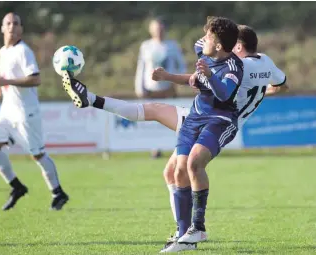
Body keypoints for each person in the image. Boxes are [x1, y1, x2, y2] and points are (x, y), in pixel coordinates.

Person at [61, 22, 288, 252]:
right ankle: (184, 233)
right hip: (204, 114)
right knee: (171, 169)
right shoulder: (265, 62)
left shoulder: (237, 65)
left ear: (236, 46)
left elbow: (213, 80)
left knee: (160, 120)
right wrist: (258, 96)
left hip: (220, 119)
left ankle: (190, 230)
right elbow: (281, 85)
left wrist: (178, 75)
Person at [0, 13, 69, 211]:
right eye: (8, 23)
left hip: (26, 112)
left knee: (37, 155)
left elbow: (35, 79)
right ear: (2, 28)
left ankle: (58, 193)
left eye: (16, 23)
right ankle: (17, 187)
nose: (12, 26)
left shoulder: (24, 51)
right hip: (7, 111)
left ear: (21, 29)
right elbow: (6, 83)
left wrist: (6, 82)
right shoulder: (3, 51)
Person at [135, 17, 186, 99]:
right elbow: (141, 68)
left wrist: (177, 82)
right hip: (149, 91)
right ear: (150, 30)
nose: (159, 31)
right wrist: (139, 89)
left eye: (160, 29)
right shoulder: (145, 46)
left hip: (168, 91)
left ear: (164, 29)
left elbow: (181, 66)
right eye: (156, 29)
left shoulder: (173, 45)